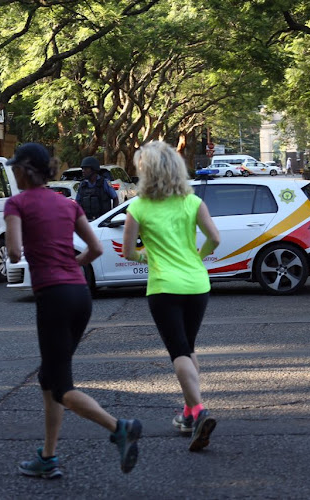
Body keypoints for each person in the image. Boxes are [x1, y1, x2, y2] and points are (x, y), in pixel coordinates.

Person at [4, 143, 141, 478]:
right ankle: (48, 457)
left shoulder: (16, 203)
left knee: (62, 385)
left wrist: (33, 253)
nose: (13, 173)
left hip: (53, 298)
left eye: (15, 168)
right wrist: (69, 267)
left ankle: (119, 428)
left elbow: (12, 252)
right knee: (49, 377)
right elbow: (94, 248)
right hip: (80, 294)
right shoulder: (67, 203)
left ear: (26, 169)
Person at [121, 140, 221, 452]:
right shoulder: (192, 202)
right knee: (188, 348)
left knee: (177, 351)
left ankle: (201, 410)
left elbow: (127, 252)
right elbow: (215, 239)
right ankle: (190, 413)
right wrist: (198, 256)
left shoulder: (138, 207)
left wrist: (146, 258)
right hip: (197, 285)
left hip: (164, 287)